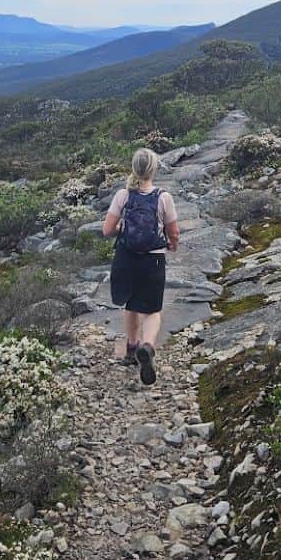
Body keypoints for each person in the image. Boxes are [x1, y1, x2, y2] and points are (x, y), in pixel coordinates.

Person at [102, 147, 180, 386]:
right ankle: (147, 346)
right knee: (152, 310)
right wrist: (172, 244)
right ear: (154, 169)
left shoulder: (122, 196)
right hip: (152, 259)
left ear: (134, 168)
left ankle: (131, 347)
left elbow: (107, 230)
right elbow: (173, 232)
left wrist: (124, 230)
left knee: (131, 302)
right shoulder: (163, 198)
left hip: (126, 257)